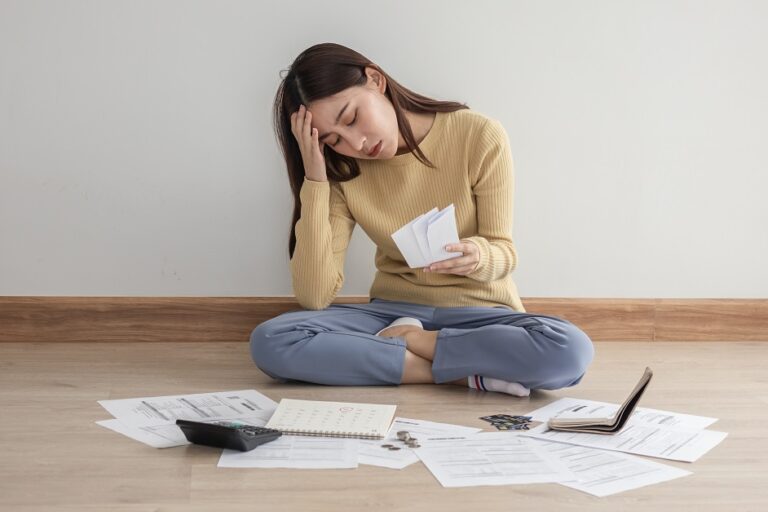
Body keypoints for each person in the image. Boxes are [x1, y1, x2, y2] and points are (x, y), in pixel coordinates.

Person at [249, 42, 594, 396]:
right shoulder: (343, 173)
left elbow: (504, 252)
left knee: (570, 350)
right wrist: (316, 180)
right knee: (272, 340)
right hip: (390, 315)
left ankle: (414, 345)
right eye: (335, 139)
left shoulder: (477, 135)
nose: (356, 142)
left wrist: (477, 255)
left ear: (375, 79)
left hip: (481, 314)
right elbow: (315, 295)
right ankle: (462, 374)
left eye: (352, 118)